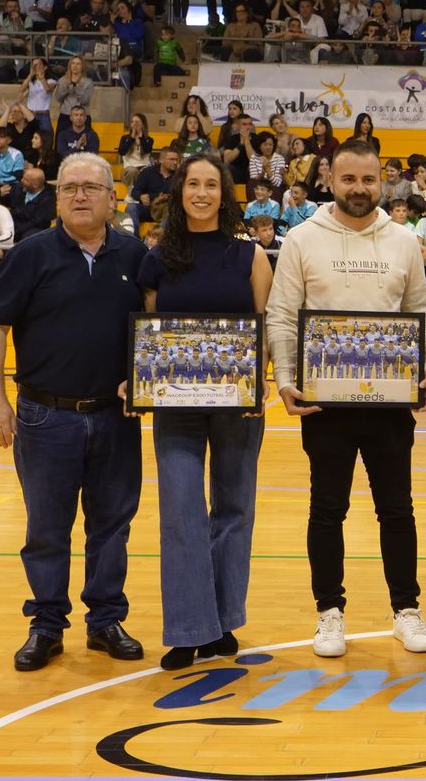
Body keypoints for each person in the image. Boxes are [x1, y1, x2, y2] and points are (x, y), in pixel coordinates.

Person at [264, 140, 426, 657]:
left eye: (368, 180)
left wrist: (424, 371)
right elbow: (281, 313)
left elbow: (421, 314)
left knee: (397, 509)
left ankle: (406, 610)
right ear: (330, 179)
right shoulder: (301, 238)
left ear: (380, 181)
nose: (358, 189)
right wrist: (286, 380)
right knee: (326, 510)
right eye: (348, 180)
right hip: (325, 403)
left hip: (389, 403)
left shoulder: (404, 239)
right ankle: (329, 613)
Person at [0, 152, 147, 671]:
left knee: (111, 527)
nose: (79, 195)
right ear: (56, 198)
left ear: (111, 198)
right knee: (47, 528)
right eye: (69, 187)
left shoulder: (136, 255)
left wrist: (143, 381)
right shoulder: (31, 254)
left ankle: (105, 621)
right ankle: (47, 625)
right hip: (43, 416)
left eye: (90, 188)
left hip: (116, 417)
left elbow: (157, 329)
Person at [135, 153, 271, 670]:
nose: (202, 193)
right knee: (182, 511)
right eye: (193, 183)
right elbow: (149, 334)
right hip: (176, 406)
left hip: (236, 403)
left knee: (234, 510)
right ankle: (190, 628)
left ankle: (223, 620)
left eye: (211, 185)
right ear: (179, 190)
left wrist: (259, 389)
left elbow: (262, 327)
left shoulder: (250, 256)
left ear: (224, 193)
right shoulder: (157, 256)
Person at [10, 167, 55, 241]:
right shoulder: (19, 189)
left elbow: (35, 223)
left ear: (35, 185)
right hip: (13, 226)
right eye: (23, 178)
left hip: (32, 231)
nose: (22, 181)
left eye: (26, 180)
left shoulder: (47, 200)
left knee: (29, 237)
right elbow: (12, 206)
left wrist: (15, 231)